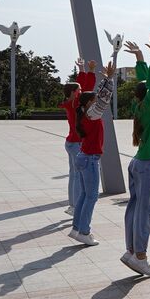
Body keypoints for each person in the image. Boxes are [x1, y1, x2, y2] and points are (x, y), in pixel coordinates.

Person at [122, 35, 150, 278]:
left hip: (139, 163)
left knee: (135, 208)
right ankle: (140, 256)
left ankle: (131, 250)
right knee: (146, 211)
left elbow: (146, 82)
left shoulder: (141, 105)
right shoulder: (149, 106)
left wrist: (140, 57)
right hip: (149, 165)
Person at [68, 62, 116, 246]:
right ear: (89, 103)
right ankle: (84, 232)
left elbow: (99, 96)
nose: (97, 102)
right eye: (94, 100)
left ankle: (76, 229)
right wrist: (109, 80)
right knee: (91, 196)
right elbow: (104, 100)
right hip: (89, 159)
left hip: (83, 157)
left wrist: (106, 79)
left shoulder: (84, 112)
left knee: (84, 195)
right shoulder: (92, 114)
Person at [61, 60, 95, 216]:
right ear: (75, 93)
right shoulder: (75, 103)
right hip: (75, 144)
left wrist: (82, 69)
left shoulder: (70, 102)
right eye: (79, 90)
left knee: (73, 175)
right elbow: (87, 89)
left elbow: (83, 87)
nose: (81, 91)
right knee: (77, 176)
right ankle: (75, 207)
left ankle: (72, 205)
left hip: (71, 142)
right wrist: (90, 71)